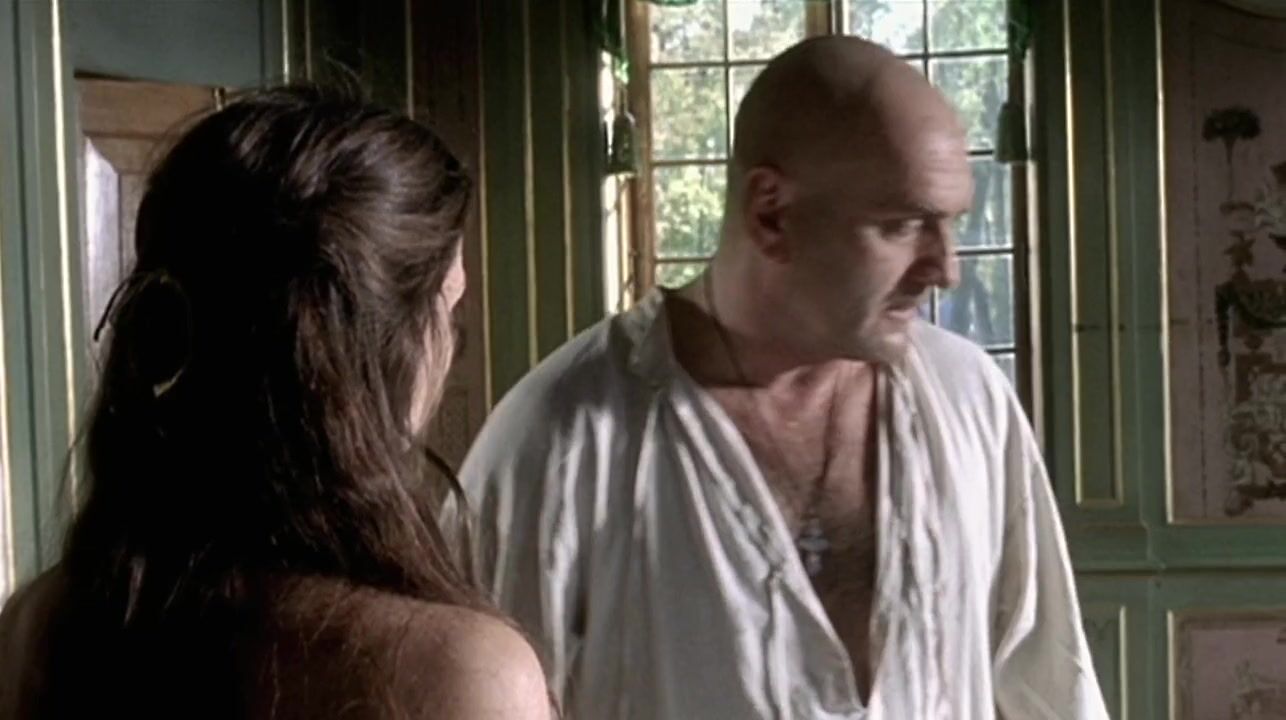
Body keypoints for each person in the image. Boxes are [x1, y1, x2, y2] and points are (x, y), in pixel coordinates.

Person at [460, 36, 1109, 719]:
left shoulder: (970, 398)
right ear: (770, 212)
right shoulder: (556, 442)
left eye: (949, 224)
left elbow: (1050, 688)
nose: (945, 269)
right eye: (901, 225)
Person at [0, 86, 549, 720]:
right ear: (378, 351)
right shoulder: (463, 675)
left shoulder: (36, 627)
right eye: (448, 309)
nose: (449, 347)